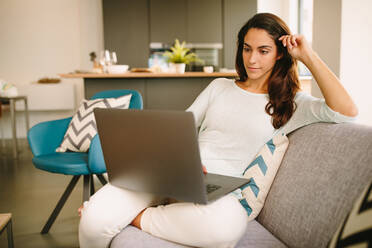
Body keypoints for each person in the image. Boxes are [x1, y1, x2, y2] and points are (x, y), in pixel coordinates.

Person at [79, 13, 358, 248]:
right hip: (174, 175)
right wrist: (175, 161)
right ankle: (147, 208)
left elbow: (346, 111)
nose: (252, 59)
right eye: (247, 48)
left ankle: (139, 218)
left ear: (280, 54)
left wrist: (308, 55)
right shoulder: (219, 87)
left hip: (220, 195)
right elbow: (179, 129)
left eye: (263, 51)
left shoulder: (292, 103)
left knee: (225, 227)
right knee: (92, 220)